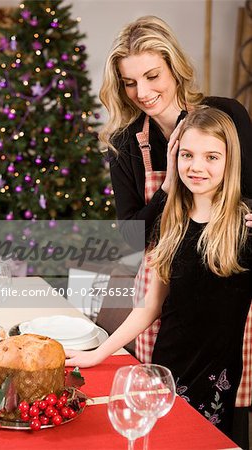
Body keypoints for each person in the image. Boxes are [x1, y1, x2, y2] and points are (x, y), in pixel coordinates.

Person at [98, 16, 252, 447]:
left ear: (174, 68)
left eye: (152, 75)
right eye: (129, 82)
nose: (142, 92)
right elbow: (130, 239)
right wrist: (167, 190)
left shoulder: (224, 116)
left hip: (224, 280)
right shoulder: (126, 143)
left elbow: (248, 190)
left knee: (223, 420)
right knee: (164, 409)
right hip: (164, 283)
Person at [66, 107, 252, 443]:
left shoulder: (245, 228)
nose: (196, 166)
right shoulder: (171, 221)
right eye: (187, 155)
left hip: (215, 378)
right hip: (163, 369)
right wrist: (99, 353)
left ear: (230, 161)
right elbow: (150, 305)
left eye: (211, 156)